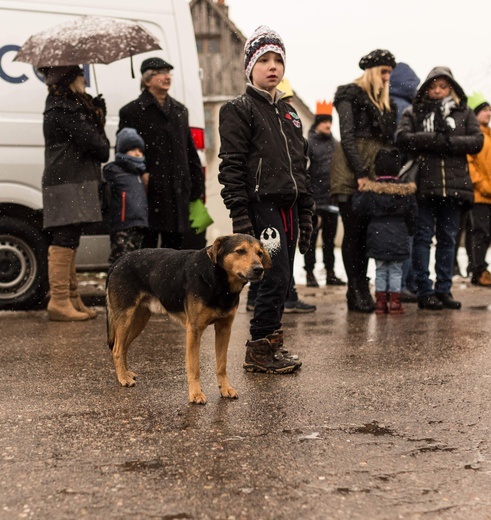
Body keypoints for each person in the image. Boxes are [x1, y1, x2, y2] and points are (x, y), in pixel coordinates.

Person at [218, 26, 315, 374]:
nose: (272, 67)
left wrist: (306, 215)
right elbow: (230, 167)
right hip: (262, 208)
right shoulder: (238, 109)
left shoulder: (289, 114)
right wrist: (241, 216)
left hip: (288, 209)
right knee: (272, 277)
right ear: (250, 67)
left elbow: (300, 169)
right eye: (264, 60)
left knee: (285, 278)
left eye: (278, 60)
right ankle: (258, 349)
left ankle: (272, 343)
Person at [396, 66, 483, 310]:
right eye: (433, 86)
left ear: (451, 88)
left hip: (455, 187)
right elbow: (402, 137)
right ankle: (424, 290)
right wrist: (431, 139)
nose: (437, 91)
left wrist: (448, 142)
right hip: (425, 185)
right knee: (423, 238)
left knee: (448, 239)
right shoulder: (415, 112)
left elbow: (477, 141)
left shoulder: (464, 113)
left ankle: (444, 289)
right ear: (426, 88)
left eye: (443, 87)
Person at [39, 65, 110, 322]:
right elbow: (100, 148)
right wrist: (97, 117)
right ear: (70, 80)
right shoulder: (64, 110)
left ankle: (70, 297)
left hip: (69, 179)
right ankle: (59, 300)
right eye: (80, 75)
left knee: (70, 237)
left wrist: (94, 113)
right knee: (64, 237)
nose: (84, 79)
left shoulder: (63, 106)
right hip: (66, 181)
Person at [330, 49, 397, 312]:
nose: (387, 77)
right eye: (383, 72)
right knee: (354, 231)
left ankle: (361, 285)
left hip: (374, 169)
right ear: (371, 72)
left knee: (368, 233)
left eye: (389, 72)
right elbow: (346, 137)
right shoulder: (349, 95)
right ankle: (353, 288)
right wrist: (360, 172)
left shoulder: (384, 103)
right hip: (350, 169)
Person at [245, 77, 316, 314]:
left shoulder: (291, 119)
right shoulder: (245, 109)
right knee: (274, 273)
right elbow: (235, 163)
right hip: (266, 201)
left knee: (280, 271)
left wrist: (306, 210)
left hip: (289, 202)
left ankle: (270, 334)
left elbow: (300, 166)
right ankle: (261, 338)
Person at [118, 57, 205, 250]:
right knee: (147, 248)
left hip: (179, 190)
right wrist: (141, 172)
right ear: (147, 79)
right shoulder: (132, 111)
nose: (167, 77)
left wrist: (198, 186)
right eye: (161, 73)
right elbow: (124, 153)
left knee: (176, 249)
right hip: (149, 191)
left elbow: (190, 152)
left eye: (168, 72)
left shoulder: (180, 111)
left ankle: (172, 281)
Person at [352, 149, 418, 314]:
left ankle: (380, 303)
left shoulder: (371, 190)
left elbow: (358, 208)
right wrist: (410, 231)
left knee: (380, 270)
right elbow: (413, 214)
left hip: (377, 235)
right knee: (396, 270)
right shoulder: (406, 191)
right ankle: (395, 303)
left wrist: (358, 193)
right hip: (399, 235)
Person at [389, 62, 420, 302]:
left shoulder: (388, 103)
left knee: (394, 232)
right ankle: (404, 285)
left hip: (391, 176)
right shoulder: (405, 108)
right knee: (409, 232)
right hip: (405, 178)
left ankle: (393, 285)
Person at [304, 100, 344, 287]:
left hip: (332, 201)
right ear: (317, 123)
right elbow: (304, 172)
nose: (328, 124)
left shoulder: (336, 144)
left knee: (329, 240)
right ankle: (310, 273)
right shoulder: (309, 144)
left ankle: (330, 272)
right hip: (314, 202)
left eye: (330, 121)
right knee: (310, 240)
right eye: (324, 121)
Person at [103, 128, 149, 264]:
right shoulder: (114, 170)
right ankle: (114, 284)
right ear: (122, 151)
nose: (137, 153)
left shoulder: (139, 173)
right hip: (123, 224)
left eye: (140, 150)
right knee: (120, 260)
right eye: (133, 149)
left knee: (134, 261)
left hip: (139, 224)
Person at [467, 92, 491, 287]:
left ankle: (482, 268)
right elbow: (470, 165)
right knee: (480, 233)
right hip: (479, 195)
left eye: (489, 109)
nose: (488, 113)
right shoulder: (474, 137)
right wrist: (484, 186)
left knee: (486, 233)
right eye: (484, 110)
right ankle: (478, 270)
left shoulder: (489, 135)